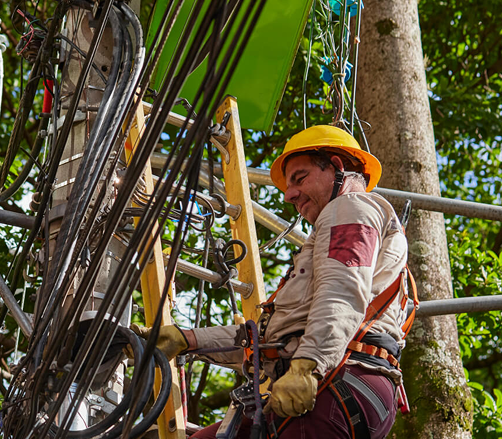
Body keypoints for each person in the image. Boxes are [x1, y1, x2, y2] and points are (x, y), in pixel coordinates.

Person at [134, 125, 413, 439]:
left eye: (300, 177)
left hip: (336, 383)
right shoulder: (340, 225)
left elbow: (343, 290)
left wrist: (307, 367)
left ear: (336, 166)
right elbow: (270, 340)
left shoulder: (350, 207)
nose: (288, 194)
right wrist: (189, 340)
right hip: (340, 388)